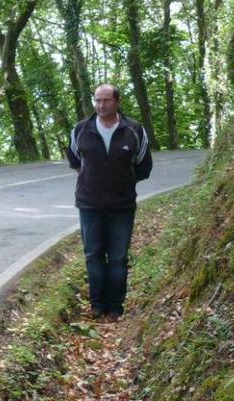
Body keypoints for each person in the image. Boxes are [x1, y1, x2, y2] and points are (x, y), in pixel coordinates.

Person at [66, 84, 152, 322]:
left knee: (118, 257)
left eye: (106, 100)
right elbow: (74, 160)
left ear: (117, 102)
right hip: (89, 204)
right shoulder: (81, 129)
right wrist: (90, 180)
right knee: (93, 255)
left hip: (122, 206)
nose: (101, 105)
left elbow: (143, 166)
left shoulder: (134, 130)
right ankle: (97, 305)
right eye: (97, 101)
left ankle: (116, 308)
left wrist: (122, 182)